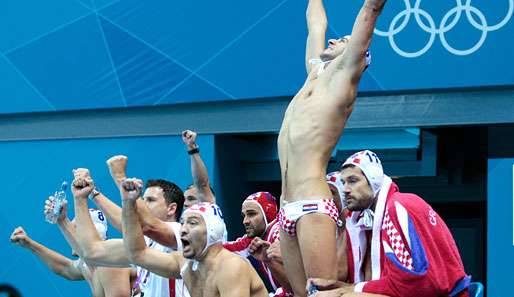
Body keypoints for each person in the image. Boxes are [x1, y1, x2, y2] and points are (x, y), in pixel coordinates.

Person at [276, 0, 387, 295]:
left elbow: (370, 10)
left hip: (312, 203)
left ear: (358, 55)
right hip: (285, 205)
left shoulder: (344, 79)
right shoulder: (314, 75)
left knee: (321, 295)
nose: (335, 39)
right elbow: (315, 23)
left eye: (345, 41)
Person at [308, 150, 469, 297]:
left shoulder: (397, 208)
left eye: (353, 181)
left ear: (374, 180)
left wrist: (342, 294)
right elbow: (399, 283)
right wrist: (342, 287)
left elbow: (412, 285)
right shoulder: (383, 213)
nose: (346, 189)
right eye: (343, 183)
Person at [121, 177, 268, 297]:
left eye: (192, 223)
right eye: (183, 222)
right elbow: (137, 254)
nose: (183, 229)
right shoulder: (185, 263)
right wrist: (128, 203)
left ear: (213, 231)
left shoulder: (230, 267)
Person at [71, 168, 189, 297]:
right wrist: (81, 197)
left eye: (150, 200)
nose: (143, 204)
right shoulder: (143, 244)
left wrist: (119, 179)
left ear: (171, 209)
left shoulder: (181, 234)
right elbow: (92, 252)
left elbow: (144, 226)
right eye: (142, 200)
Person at [10, 202, 132, 297]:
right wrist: (29, 244)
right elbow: (65, 268)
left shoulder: (111, 264)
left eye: (74, 229)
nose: (69, 234)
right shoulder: (88, 265)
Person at [223, 192, 290, 294]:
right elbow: (219, 250)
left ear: (268, 214)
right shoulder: (255, 238)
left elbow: (297, 286)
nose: (245, 221)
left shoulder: (280, 234)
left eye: (251, 214)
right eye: (244, 216)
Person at [181, 130, 216, 209]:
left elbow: (202, 184)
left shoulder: (209, 211)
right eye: (184, 200)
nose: (185, 204)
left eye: (191, 199)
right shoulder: (181, 220)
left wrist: (192, 149)